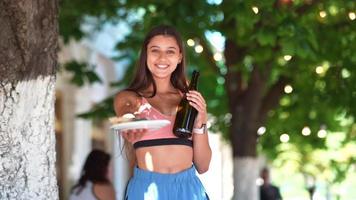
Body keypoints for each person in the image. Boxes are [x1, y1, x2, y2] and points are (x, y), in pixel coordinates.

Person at [114, 25, 212, 200]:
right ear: (146, 55)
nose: (162, 58)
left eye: (170, 51)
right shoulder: (131, 98)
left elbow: (203, 166)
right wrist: (129, 120)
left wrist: (201, 122)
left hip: (189, 190)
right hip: (147, 190)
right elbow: (126, 110)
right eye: (155, 50)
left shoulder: (189, 101)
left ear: (180, 57)